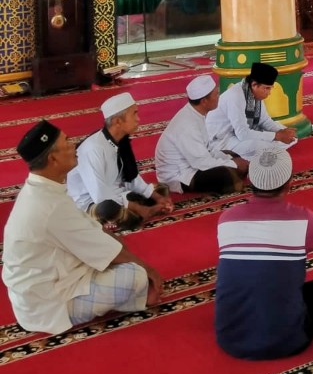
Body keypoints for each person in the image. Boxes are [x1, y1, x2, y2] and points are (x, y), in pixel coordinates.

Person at [2, 120, 163, 335]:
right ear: (53, 159)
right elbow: (109, 251)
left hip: (52, 281)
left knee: (116, 248)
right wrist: (151, 272)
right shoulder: (48, 205)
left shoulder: (44, 188)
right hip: (48, 303)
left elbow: (94, 231)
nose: (74, 144)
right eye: (67, 142)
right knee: (135, 276)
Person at [215, 147, 313, 360]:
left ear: (251, 180)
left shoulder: (227, 218)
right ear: (289, 182)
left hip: (229, 337)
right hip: (285, 341)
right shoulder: (304, 220)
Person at [67, 92, 173, 231]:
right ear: (118, 121)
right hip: (91, 203)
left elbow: (131, 176)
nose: (138, 119)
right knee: (111, 210)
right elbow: (101, 195)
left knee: (161, 189)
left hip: (117, 192)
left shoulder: (120, 141)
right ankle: (139, 212)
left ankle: (140, 209)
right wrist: (139, 208)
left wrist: (156, 196)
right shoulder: (93, 149)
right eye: (134, 114)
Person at [155, 74, 248, 194]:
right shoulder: (187, 125)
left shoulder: (196, 113)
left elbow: (207, 150)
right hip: (179, 177)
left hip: (193, 163)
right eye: (216, 94)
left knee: (232, 154)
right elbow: (202, 163)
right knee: (226, 174)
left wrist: (231, 159)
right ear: (204, 101)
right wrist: (233, 164)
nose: (218, 97)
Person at [206, 62, 297, 161]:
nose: (269, 93)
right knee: (263, 146)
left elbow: (265, 121)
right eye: (266, 88)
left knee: (288, 135)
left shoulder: (254, 95)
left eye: (270, 88)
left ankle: (251, 155)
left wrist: (282, 132)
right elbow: (243, 134)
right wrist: (276, 136)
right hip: (223, 140)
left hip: (240, 134)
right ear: (254, 85)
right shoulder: (235, 96)